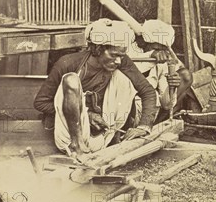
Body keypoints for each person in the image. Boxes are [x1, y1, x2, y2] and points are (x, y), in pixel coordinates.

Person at [33, 18, 158, 157]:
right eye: (114, 55)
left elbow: (147, 91)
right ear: (98, 49)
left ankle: (114, 137)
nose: (118, 61)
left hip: (103, 133)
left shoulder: (121, 62)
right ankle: (78, 145)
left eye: (121, 56)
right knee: (71, 80)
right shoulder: (67, 63)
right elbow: (41, 103)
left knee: (124, 77)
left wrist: (144, 126)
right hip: (70, 136)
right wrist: (85, 116)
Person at [129, 19, 193, 122]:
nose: (160, 53)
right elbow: (128, 68)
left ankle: (153, 125)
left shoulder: (162, 60)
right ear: (144, 43)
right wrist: (149, 56)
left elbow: (166, 104)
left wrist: (172, 87)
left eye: (163, 48)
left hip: (148, 110)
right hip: (126, 109)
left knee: (185, 75)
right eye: (155, 48)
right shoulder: (131, 50)